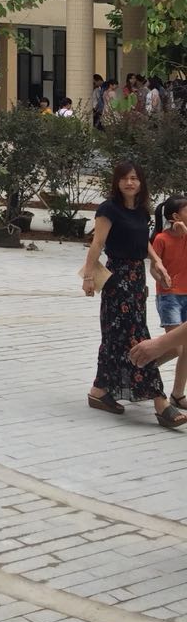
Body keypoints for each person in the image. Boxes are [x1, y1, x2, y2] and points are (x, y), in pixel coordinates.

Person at [81, 161, 184, 427]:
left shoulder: (141, 211)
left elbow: (144, 243)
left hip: (137, 279)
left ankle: (99, 391)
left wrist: (157, 262)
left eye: (135, 178)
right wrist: (89, 276)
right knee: (135, 337)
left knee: (115, 337)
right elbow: (98, 243)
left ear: (141, 183)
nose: (130, 183)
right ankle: (161, 402)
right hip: (118, 278)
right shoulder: (108, 209)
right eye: (125, 178)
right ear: (117, 182)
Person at [151, 194, 187, 410]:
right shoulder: (161, 239)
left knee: (186, 349)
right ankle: (140, 371)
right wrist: (161, 278)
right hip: (169, 297)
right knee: (175, 348)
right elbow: (153, 268)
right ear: (176, 216)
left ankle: (178, 395)